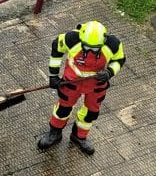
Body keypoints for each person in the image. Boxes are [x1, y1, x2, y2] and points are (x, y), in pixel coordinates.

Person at [37, 20, 126, 156]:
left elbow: (119, 59)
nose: (90, 50)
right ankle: (55, 133)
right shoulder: (71, 39)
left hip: (97, 85)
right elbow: (56, 48)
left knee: (91, 112)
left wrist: (109, 72)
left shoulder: (113, 44)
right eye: (86, 47)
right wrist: (53, 75)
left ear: (104, 41)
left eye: (94, 49)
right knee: (63, 109)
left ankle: (79, 136)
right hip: (72, 82)